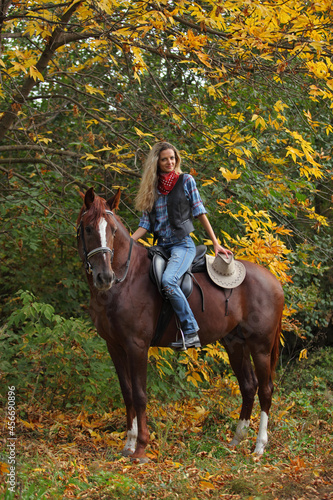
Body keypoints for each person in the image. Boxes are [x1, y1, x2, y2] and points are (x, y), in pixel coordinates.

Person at [132, 142, 232, 350]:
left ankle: (191, 331)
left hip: (182, 245)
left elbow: (199, 212)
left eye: (173, 158)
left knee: (169, 281)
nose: (170, 162)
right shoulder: (151, 190)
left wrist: (215, 243)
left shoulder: (185, 181)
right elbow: (145, 225)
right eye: (164, 159)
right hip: (160, 247)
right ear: (156, 163)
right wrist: (128, 242)